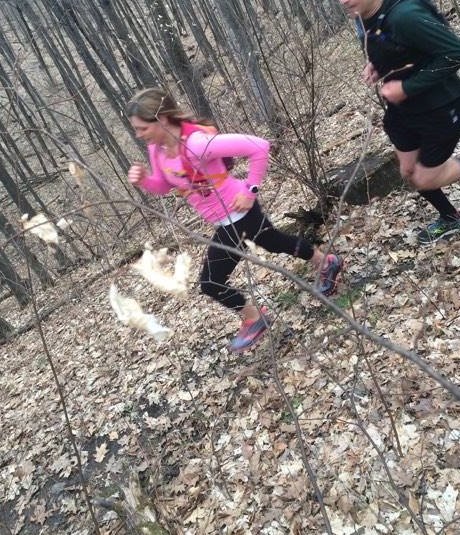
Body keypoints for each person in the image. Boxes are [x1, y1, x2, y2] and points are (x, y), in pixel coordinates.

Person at [126, 88, 342, 353]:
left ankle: (254, 318)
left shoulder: (196, 144)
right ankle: (326, 262)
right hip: (226, 218)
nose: (139, 135)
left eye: (142, 128)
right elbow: (163, 186)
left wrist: (250, 192)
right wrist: (144, 180)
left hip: (237, 215)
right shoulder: (156, 150)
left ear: (161, 119)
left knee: (211, 282)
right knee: (274, 242)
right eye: (136, 129)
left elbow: (259, 147)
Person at [336, 0, 460, 245]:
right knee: (407, 170)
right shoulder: (363, 16)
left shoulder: (406, 16)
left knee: (424, 178)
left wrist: (407, 87)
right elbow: (397, 50)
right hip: (403, 111)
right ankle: (450, 217)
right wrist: (377, 66)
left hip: (441, 107)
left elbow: (457, 52)